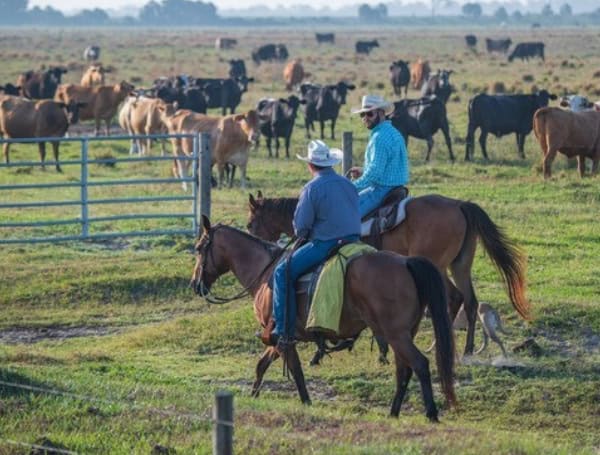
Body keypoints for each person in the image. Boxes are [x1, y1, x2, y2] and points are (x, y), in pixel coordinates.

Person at [266, 140, 361, 347]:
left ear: (310, 165)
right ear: (330, 163)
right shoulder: (348, 184)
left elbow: (301, 227)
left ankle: (283, 330)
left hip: (326, 244)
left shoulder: (311, 188)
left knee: (282, 272)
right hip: (354, 240)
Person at [349, 94, 410, 218]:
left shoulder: (379, 138)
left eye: (370, 114)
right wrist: (363, 171)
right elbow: (388, 166)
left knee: (345, 215)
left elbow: (374, 174)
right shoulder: (394, 132)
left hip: (381, 190)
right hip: (396, 187)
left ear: (382, 113)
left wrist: (350, 187)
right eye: (362, 114)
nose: (365, 118)